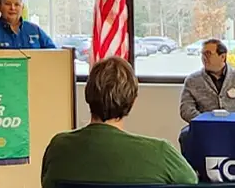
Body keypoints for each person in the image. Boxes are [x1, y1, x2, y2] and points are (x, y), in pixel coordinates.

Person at [41, 56, 197, 188]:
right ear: (133, 101)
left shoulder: (58, 148)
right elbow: (192, 182)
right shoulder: (161, 153)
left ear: (87, 95)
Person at [178, 38, 235, 151]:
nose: (204, 58)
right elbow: (186, 109)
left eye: (208, 54)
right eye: (202, 54)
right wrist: (205, 122)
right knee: (185, 135)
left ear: (223, 56)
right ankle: (193, 169)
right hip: (204, 128)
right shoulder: (192, 80)